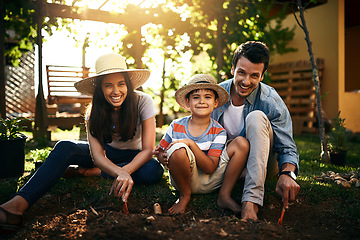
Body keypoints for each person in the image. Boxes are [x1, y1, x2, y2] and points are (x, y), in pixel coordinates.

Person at [0, 53, 164, 232]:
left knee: (154, 171)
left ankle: (86, 172)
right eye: (108, 85)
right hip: (106, 155)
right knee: (65, 147)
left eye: (121, 84)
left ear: (128, 85)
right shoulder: (93, 112)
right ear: (100, 89)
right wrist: (118, 172)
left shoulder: (143, 101)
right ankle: (16, 206)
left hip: (135, 156)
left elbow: (148, 150)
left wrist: (124, 172)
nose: (116, 91)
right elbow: (97, 156)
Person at [211, 41, 300, 220]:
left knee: (257, 117)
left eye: (254, 75)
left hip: (266, 161)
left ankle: (250, 203)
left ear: (262, 76)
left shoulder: (270, 100)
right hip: (229, 161)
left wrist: (287, 173)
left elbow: (287, 148)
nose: (246, 81)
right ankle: (233, 182)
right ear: (232, 69)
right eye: (241, 72)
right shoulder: (216, 96)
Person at [154, 74, 249, 214]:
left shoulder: (218, 131)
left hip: (210, 181)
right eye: (196, 97)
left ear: (216, 103)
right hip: (182, 180)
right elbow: (159, 152)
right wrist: (163, 158)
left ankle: (224, 195)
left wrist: (191, 144)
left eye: (208, 97)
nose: (202, 101)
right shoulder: (175, 126)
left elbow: (210, 168)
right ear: (187, 103)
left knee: (241, 143)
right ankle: (184, 196)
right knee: (179, 150)